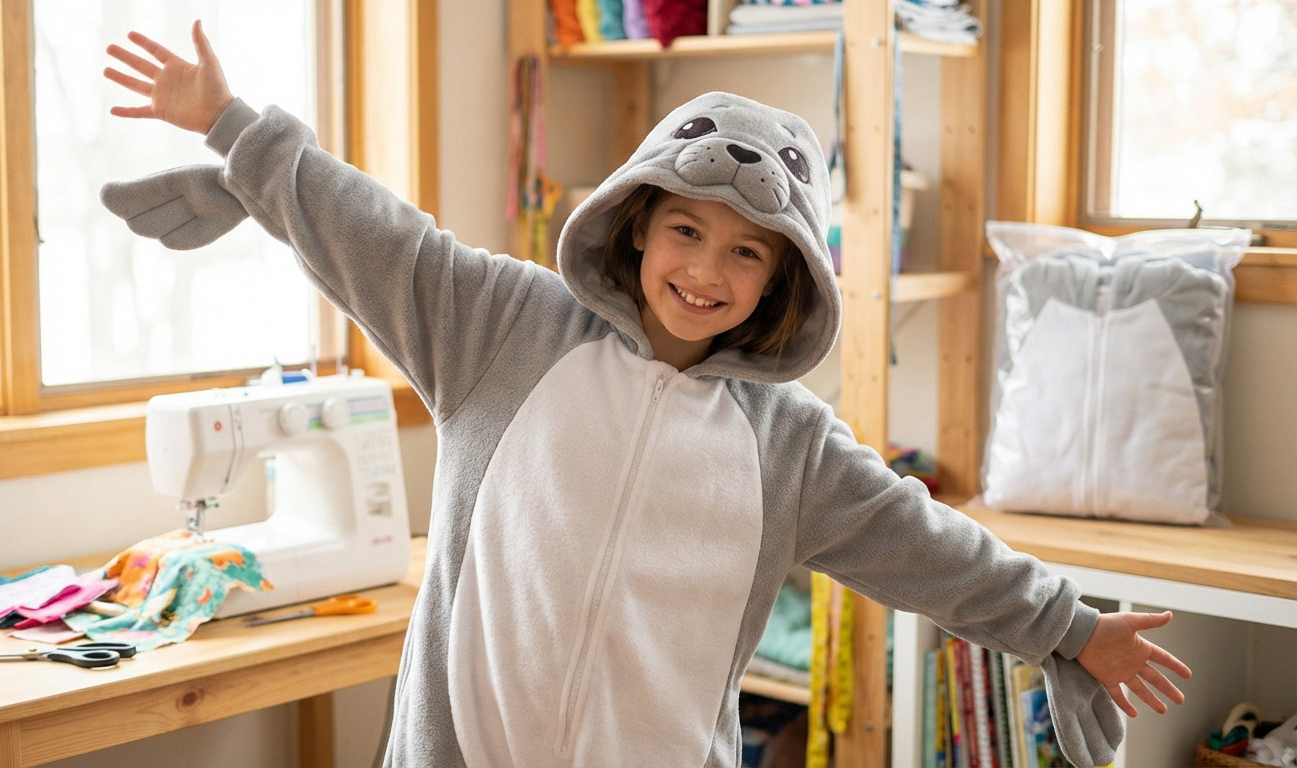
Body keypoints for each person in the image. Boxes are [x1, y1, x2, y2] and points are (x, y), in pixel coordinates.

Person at [101, 21, 1191, 768]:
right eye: (685, 230)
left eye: (746, 255)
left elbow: (922, 543)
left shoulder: (787, 445)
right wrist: (233, 124)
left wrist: (1063, 626)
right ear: (635, 223)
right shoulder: (500, 329)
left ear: (784, 282)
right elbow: (375, 234)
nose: (705, 272)